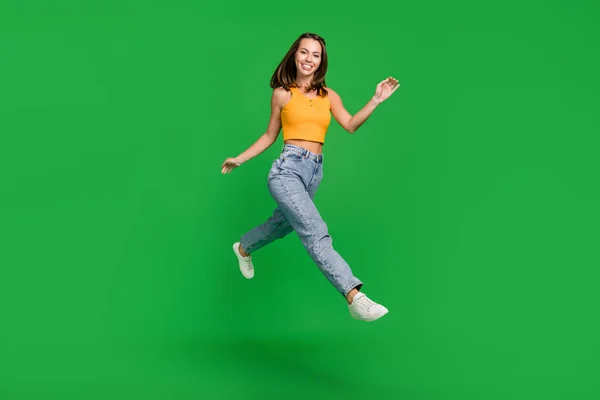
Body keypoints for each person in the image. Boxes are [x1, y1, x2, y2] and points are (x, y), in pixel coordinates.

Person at [221, 32, 400, 322]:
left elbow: (351, 124)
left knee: (281, 226)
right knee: (315, 232)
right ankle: (354, 295)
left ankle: (244, 247)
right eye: (304, 52)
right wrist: (239, 158)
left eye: (315, 55)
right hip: (287, 171)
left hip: (314, 172)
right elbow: (270, 135)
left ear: (320, 62)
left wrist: (376, 100)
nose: (309, 59)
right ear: (295, 55)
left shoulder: (329, 96)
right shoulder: (282, 93)